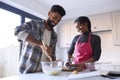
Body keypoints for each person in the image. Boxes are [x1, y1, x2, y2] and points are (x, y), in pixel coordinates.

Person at [14, 5, 66, 73]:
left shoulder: (54, 36)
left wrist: (52, 59)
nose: (56, 22)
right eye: (54, 17)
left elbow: (52, 55)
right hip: (26, 71)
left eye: (58, 20)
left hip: (42, 72)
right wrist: (41, 44)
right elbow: (17, 32)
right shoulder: (34, 24)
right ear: (49, 13)